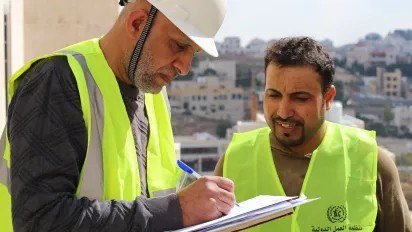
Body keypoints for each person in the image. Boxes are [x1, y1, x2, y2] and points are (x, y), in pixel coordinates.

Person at [0, 0, 237, 231]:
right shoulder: (57, 81)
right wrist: (177, 210)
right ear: (136, 23)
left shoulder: (153, 94)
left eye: (193, 53)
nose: (185, 67)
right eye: (179, 45)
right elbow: (39, 219)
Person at [214, 37, 412, 232]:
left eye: (300, 98)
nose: (283, 112)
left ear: (328, 98)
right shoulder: (233, 162)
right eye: (273, 95)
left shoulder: (371, 162)